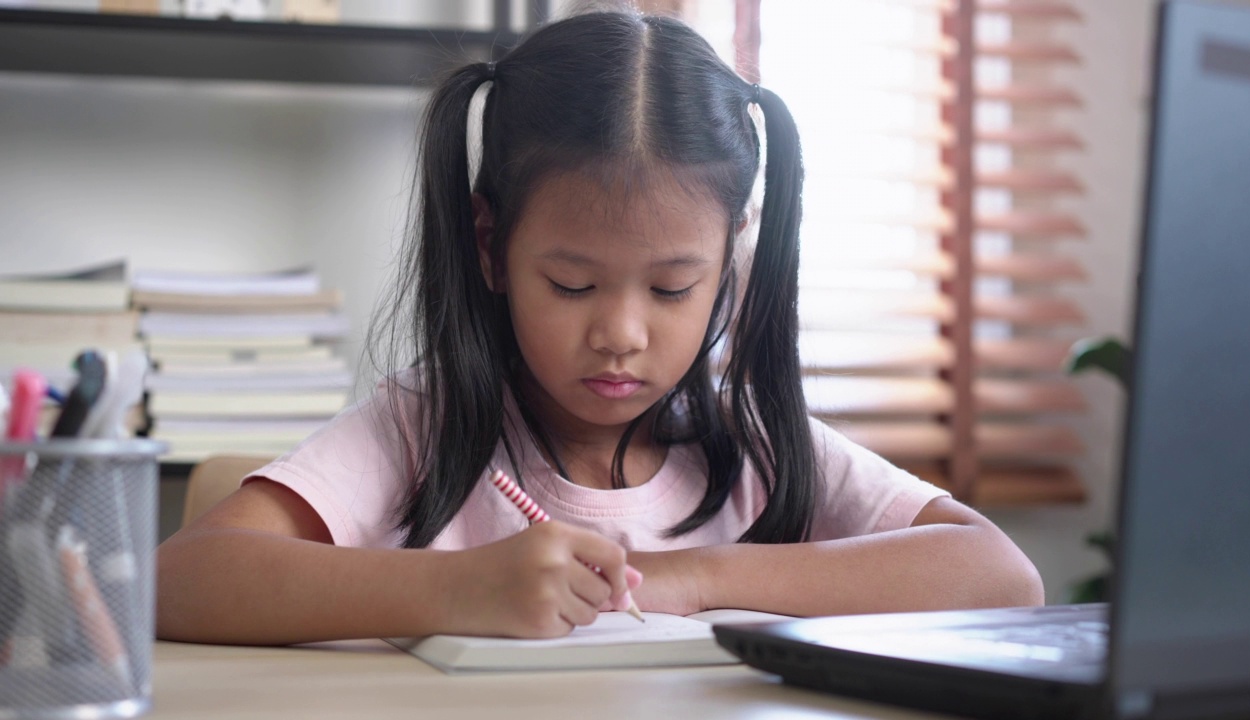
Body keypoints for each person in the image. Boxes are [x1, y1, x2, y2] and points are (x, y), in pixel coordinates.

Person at [156, 9, 1043, 646]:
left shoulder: (753, 443)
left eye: (671, 289)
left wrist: (697, 579)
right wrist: (456, 589)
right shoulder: (424, 428)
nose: (620, 334)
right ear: (492, 247)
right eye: (573, 283)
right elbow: (179, 581)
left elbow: (1000, 577)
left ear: (730, 260)